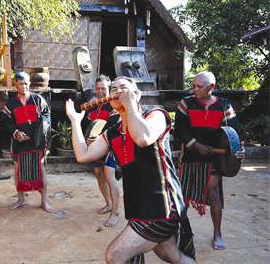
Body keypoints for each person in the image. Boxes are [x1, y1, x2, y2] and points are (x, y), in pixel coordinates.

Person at [66, 77, 196, 264]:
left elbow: (143, 138)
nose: (117, 91)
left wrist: (130, 107)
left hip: (163, 206)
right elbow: (83, 155)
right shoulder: (113, 133)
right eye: (114, 89)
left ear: (137, 95)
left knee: (115, 255)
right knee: (170, 255)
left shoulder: (156, 115)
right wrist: (75, 122)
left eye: (123, 88)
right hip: (138, 208)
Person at [175, 71, 245, 250]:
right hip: (190, 156)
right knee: (182, 197)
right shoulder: (186, 103)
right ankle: (179, 233)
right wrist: (196, 145)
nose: (195, 89)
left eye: (199, 86)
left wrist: (240, 149)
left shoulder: (224, 105)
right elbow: (180, 130)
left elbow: (234, 132)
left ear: (211, 88)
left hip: (214, 159)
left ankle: (217, 234)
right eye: (193, 86)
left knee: (213, 194)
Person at [3, 72, 53, 212]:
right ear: (16, 85)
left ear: (29, 84)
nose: (23, 86)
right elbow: (5, 123)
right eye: (20, 84)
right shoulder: (11, 103)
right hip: (19, 142)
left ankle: (44, 200)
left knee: (40, 169)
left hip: (37, 141)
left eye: (26, 83)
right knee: (18, 170)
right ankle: (21, 199)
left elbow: (46, 115)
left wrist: (44, 126)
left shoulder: (38, 99)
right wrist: (16, 132)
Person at [84, 75, 120, 227]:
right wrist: (87, 139)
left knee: (110, 177)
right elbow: (87, 126)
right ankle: (109, 203)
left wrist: (99, 139)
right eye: (98, 88)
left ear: (109, 89)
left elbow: (113, 127)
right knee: (99, 175)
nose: (100, 91)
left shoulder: (114, 105)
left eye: (103, 88)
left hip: (109, 146)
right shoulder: (92, 106)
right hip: (93, 146)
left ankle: (115, 212)